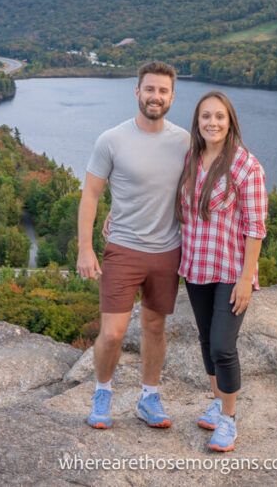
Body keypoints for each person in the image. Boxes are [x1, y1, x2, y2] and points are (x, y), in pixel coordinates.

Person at [77, 61, 190, 430]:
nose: (155, 96)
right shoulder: (112, 140)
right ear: (137, 92)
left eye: (163, 91)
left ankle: (148, 397)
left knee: (155, 327)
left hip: (167, 250)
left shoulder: (185, 142)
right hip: (123, 249)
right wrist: (85, 248)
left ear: (172, 97)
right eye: (150, 89)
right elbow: (91, 195)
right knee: (112, 332)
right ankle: (103, 391)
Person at [175, 90, 267, 452]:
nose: (212, 123)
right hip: (197, 265)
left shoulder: (246, 166)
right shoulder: (191, 159)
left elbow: (256, 227)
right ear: (197, 123)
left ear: (230, 122)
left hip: (230, 269)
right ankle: (217, 403)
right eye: (205, 117)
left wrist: (246, 278)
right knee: (204, 340)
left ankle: (228, 419)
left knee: (222, 346)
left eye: (219, 117)